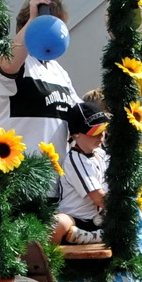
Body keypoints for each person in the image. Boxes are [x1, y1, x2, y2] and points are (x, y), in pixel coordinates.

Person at [0, 0, 79, 156]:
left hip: (53, 176)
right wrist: (34, 21)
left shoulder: (59, 71)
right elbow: (9, 62)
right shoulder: (13, 58)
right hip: (15, 171)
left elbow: (79, 112)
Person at [55, 104, 110, 244]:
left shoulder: (101, 154)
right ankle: (50, 262)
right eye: (94, 132)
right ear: (76, 134)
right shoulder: (75, 158)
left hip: (100, 219)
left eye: (103, 129)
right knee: (58, 223)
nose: (101, 136)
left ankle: (94, 236)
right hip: (76, 220)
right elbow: (99, 198)